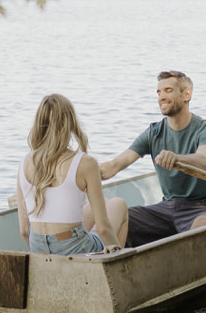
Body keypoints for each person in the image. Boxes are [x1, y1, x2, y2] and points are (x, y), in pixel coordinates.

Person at [95, 70, 206, 248]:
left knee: (202, 227)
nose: (161, 97)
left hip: (204, 207)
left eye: (168, 90)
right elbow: (113, 166)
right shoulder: (153, 133)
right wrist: (83, 169)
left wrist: (176, 158)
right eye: (159, 92)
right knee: (117, 217)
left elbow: (203, 159)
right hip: (167, 207)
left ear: (187, 94)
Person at [15, 94, 127, 256]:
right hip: (74, 247)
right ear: (70, 123)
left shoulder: (24, 163)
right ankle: (117, 267)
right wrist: (117, 252)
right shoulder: (85, 163)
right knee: (119, 204)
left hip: (38, 246)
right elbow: (103, 228)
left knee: (104, 201)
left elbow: (24, 231)